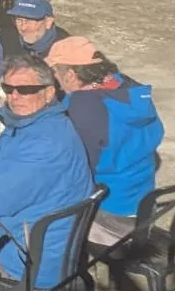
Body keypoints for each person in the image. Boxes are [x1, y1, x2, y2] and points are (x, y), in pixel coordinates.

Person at [0, 54, 94, 288]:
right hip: (46, 242)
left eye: (26, 89)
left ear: (49, 92)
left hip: (30, 260)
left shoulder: (44, 145)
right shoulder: (43, 124)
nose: (14, 97)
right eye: (8, 88)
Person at [47, 37, 165, 243]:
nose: (55, 79)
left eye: (56, 72)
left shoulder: (84, 106)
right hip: (141, 203)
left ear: (71, 75)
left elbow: (76, 170)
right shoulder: (127, 87)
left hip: (111, 216)